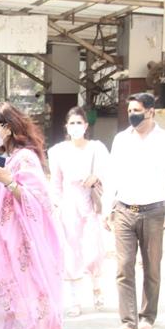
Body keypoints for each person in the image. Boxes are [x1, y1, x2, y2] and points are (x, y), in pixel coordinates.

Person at [0, 101, 68, 329]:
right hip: (5, 242)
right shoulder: (9, 157)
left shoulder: (26, 159)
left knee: (29, 300)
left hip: (25, 246)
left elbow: (40, 202)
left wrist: (9, 183)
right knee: (9, 298)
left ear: (8, 128)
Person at [102, 92, 165, 329]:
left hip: (154, 211)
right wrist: (107, 208)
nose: (132, 115)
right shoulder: (120, 140)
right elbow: (112, 175)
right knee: (123, 265)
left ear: (150, 111)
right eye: (129, 111)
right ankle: (128, 320)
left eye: (137, 110)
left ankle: (148, 315)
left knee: (152, 267)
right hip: (124, 209)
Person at [48, 107, 109, 317]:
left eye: (79, 123)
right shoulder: (58, 151)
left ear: (86, 125)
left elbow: (108, 173)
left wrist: (96, 177)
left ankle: (97, 287)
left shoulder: (96, 148)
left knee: (94, 249)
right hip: (68, 205)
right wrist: (55, 205)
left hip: (91, 203)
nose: (75, 127)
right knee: (71, 252)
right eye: (71, 123)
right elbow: (55, 182)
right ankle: (74, 300)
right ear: (66, 126)